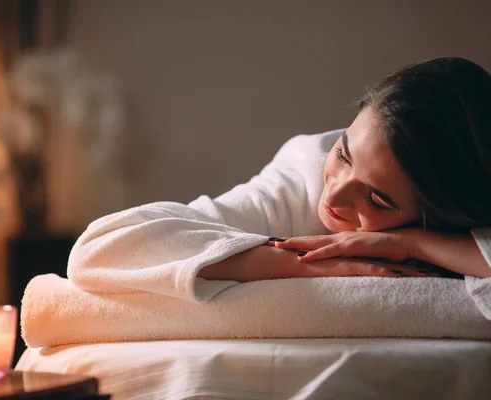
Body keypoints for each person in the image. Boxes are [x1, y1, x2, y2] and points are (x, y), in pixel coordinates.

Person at [67, 57, 491, 303]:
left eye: (378, 200)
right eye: (343, 154)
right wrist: (303, 265)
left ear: (437, 215)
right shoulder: (303, 174)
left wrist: (412, 244)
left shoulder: (455, 211)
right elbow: (99, 250)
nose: (336, 194)